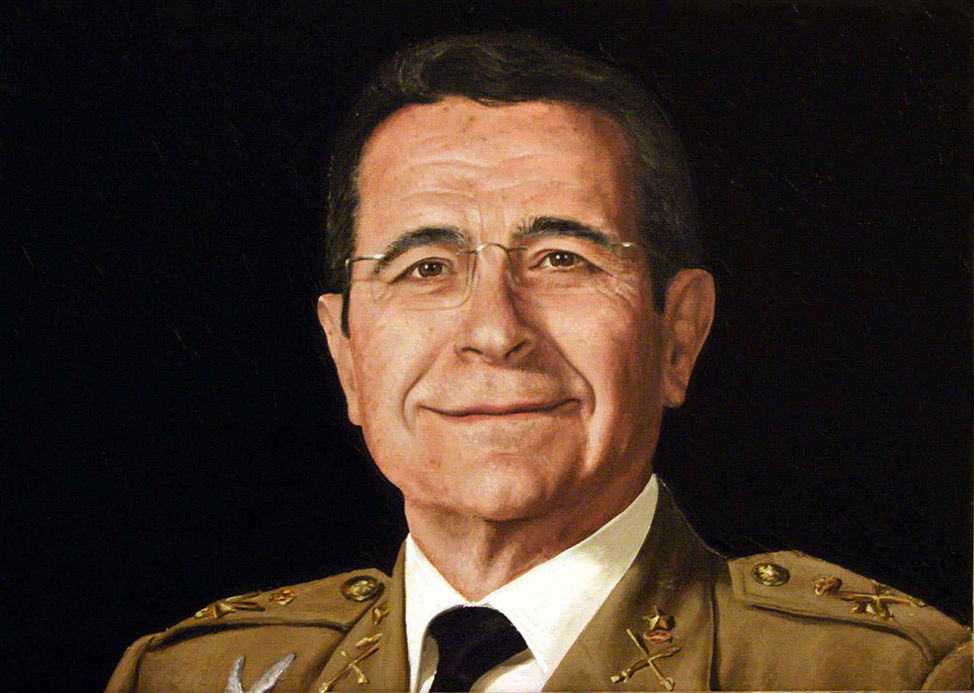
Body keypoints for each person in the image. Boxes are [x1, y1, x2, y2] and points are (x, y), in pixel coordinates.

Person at [107, 33, 971, 693]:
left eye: (563, 259)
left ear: (678, 335)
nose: (494, 331)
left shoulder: (882, 676)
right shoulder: (186, 676)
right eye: (426, 267)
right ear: (346, 356)